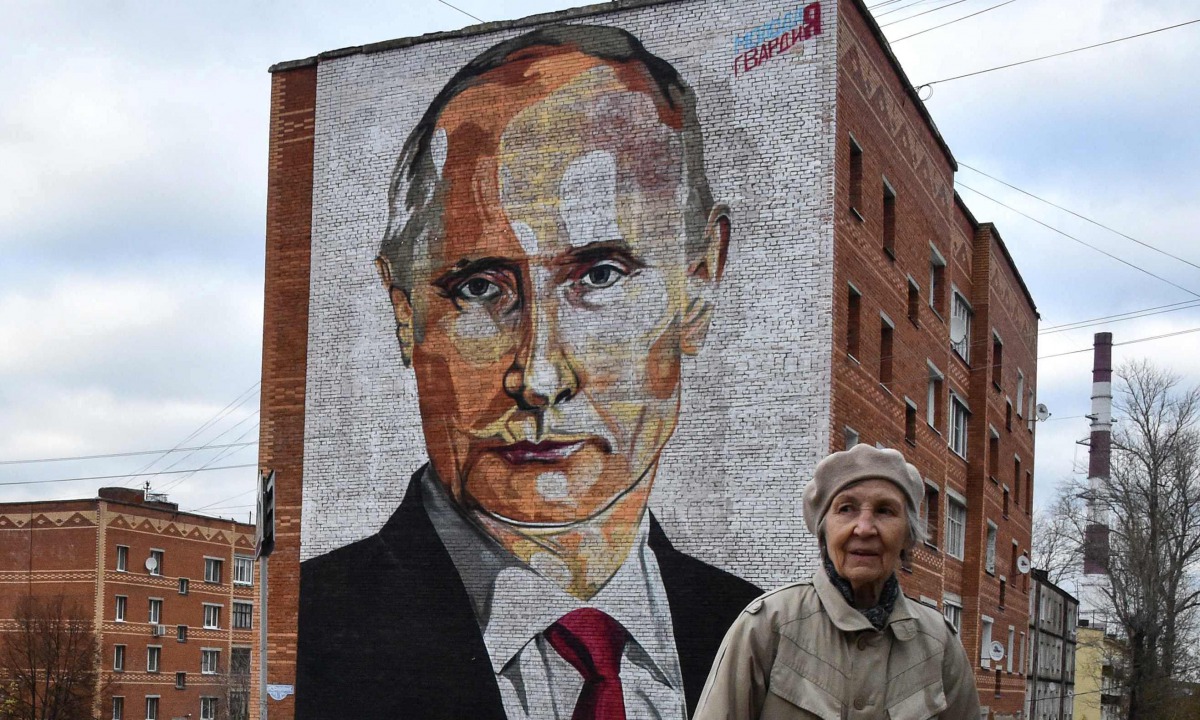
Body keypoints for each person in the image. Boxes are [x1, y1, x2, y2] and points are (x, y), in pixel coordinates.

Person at [295, 24, 761, 720]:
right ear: (405, 315)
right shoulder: (313, 635)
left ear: (698, 285)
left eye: (600, 275)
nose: (539, 376)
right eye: (480, 288)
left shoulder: (759, 635)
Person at [694, 444, 981, 719]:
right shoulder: (769, 625)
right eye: (846, 509)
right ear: (824, 530)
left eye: (884, 511)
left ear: (908, 535)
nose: (865, 528)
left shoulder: (938, 642)